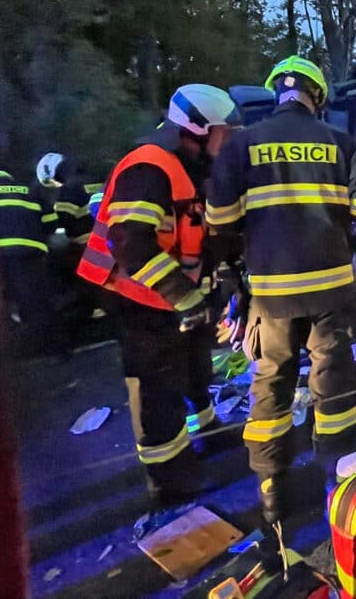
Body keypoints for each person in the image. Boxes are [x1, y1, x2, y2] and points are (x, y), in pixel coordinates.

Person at [207, 56, 356, 528]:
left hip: (271, 296)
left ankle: (271, 493)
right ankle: (338, 480)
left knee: (272, 381)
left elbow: (219, 222)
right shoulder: (340, 144)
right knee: (333, 381)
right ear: (317, 97)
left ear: (276, 93)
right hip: (332, 291)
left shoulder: (241, 145)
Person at [76, 84, 240, 505]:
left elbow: (200, 236)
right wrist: (183, 296)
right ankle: (169, 478)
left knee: (194, 367)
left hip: (170, 296)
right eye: (225, 130)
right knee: (157, 387)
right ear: (198, 129)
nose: (231, 138)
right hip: (137, 298)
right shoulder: (148, 167)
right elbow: (130, 243)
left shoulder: (188, 166)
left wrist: (218, 282)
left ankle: (206, 431)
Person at [0, 168, 61, 355]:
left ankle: (13, 350)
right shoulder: (29, 190)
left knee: (0, 301)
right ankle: (54, 348)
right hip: (32, 253)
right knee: (38, 300)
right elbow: (51, 222)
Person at [37, 152, 106, 344]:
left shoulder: (70, 189)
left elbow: (63, 222)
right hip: (112, 244)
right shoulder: (96, 179)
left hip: (88, 249)